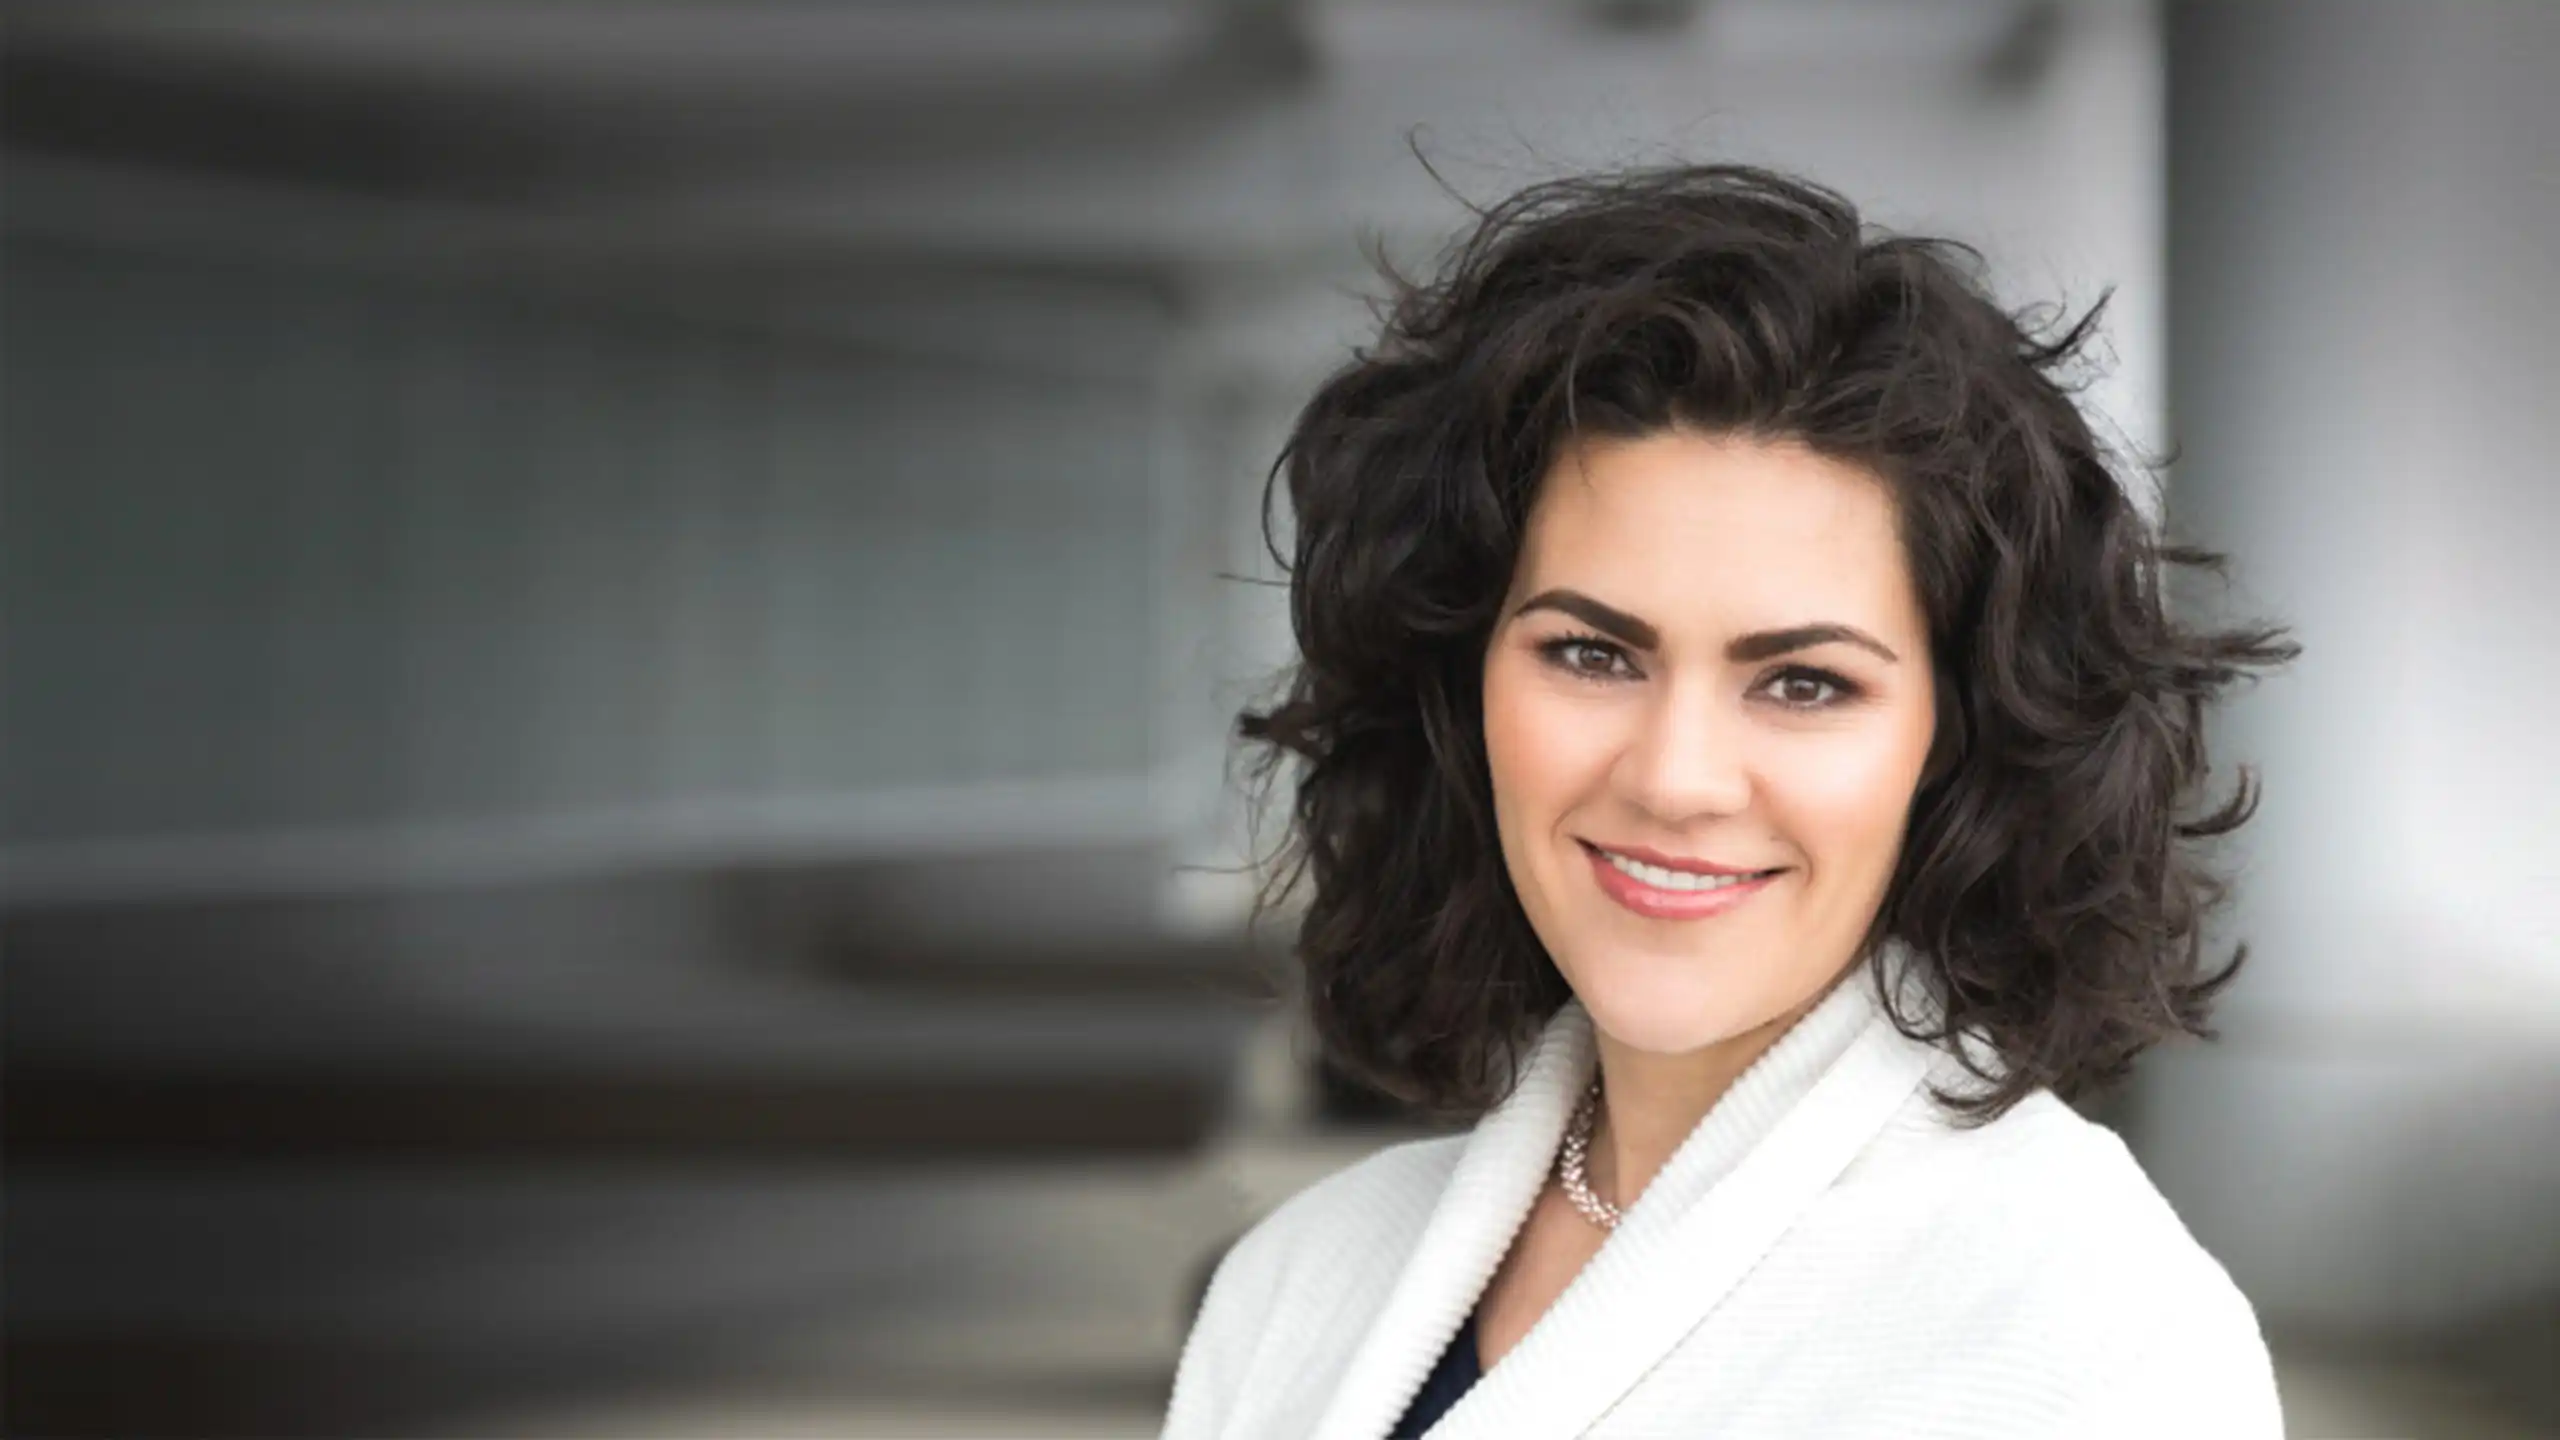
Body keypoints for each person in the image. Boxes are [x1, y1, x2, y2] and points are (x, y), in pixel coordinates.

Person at [1159, 164, 2298, 1439]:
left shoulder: (2090, 1339)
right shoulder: (1299, 1279)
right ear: (1459, 688)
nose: (1673, 778)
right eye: (1590, 654)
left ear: (1958, 739)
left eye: (1803, 683)